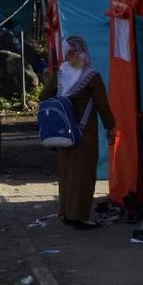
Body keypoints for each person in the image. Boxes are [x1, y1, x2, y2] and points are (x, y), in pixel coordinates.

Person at [40, 36, 116, 230]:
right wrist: (110, 126)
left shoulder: (60, 74)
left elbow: (44, 96)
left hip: (64, 131)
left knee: (67, 172)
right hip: (84, 133)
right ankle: (80, 217)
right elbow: (102, 104)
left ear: (67, 52)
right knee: (84, 173)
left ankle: (66, 213)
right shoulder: (91, 75)